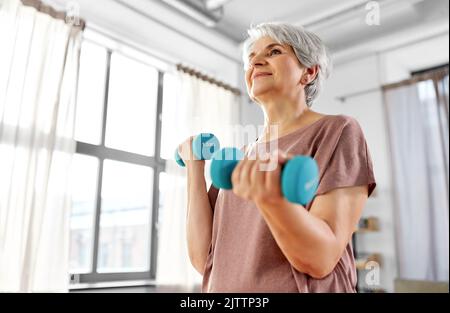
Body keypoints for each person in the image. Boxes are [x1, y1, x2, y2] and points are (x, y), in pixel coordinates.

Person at [178, 22, 376, 292]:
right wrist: (194, 167)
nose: (256, 61)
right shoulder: (241, 159)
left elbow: (321, 258)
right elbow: (204, 260)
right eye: (251, 57)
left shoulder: (338, 131)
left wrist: (271, 199)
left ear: (308, 72)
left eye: (273, 52)